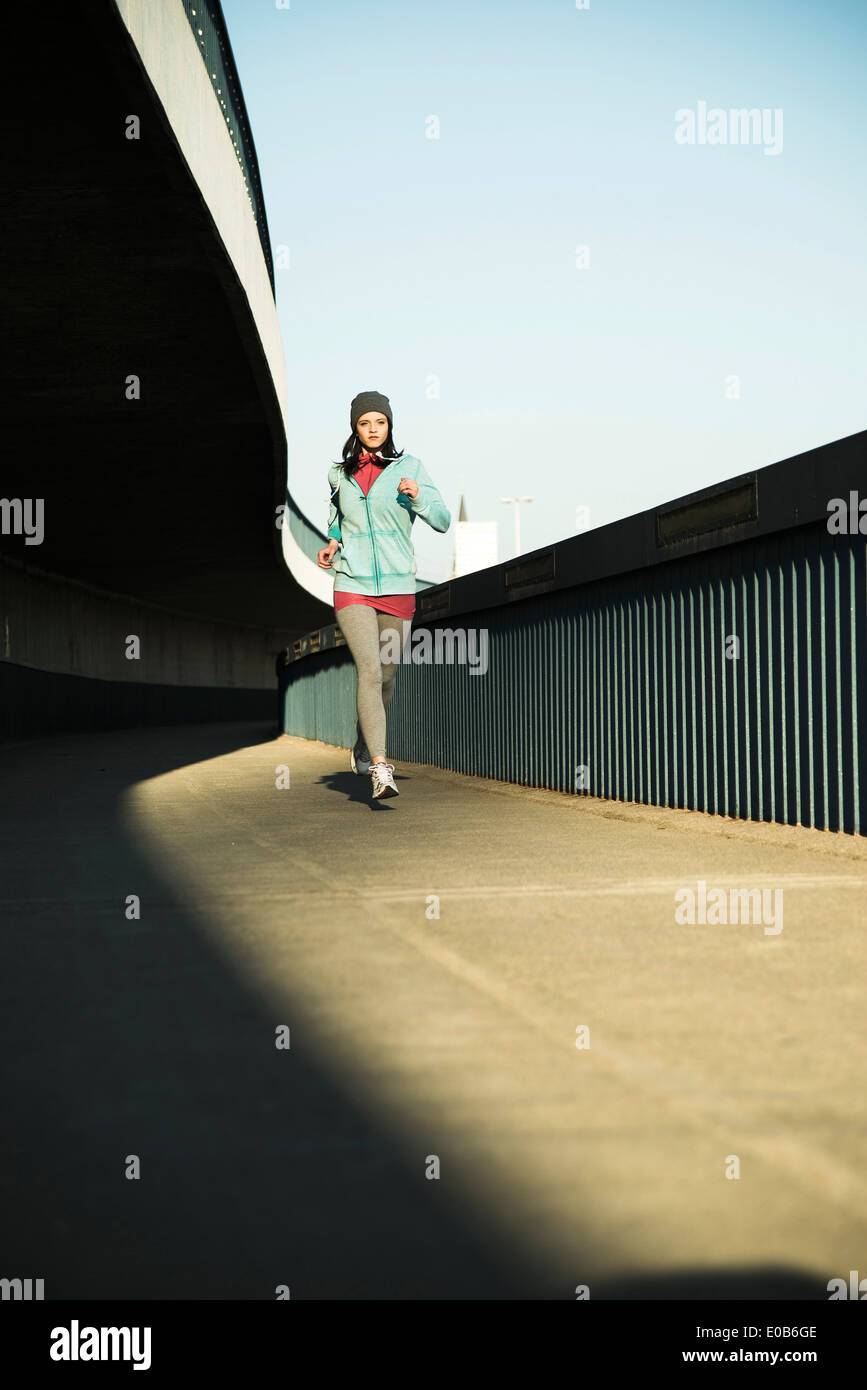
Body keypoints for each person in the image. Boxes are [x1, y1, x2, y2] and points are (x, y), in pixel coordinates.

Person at [316, 391, 450, 800]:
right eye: (364, 423)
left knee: (387, 678)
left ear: (389, 425)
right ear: (355, 428)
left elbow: (443, 520)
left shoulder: (410, 468)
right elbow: (337, 518)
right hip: (352, 584)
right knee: (370, 672)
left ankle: (362, 745)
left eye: (380, 422)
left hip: (398, 587)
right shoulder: (339, 474)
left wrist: (418, 497)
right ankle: (380, 765)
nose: (373, 429)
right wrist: (333, 543)